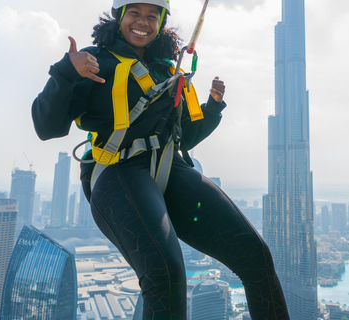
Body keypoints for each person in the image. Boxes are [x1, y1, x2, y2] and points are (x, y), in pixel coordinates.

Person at [32, 0, 290, 319]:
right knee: (165, 274)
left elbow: (184, 136)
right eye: (135, 14)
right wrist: (65, 73)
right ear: (119, 17)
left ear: (162, 22)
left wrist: (212, 107)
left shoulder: (167, 69)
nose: (143, 22)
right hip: (118, 172)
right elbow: (47, 127)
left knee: (256, 256)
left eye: (152, 16)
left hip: (169, 166)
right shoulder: (94, 61)